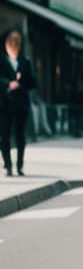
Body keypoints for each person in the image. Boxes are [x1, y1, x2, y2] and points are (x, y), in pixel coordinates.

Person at [0, 27, 36, 177]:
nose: (15, 43)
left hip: (21, 103)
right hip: (4, 103)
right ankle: (8, 165)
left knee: (20, 134)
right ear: (6, 42)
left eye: (18, 41)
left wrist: (23, 81)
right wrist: (8, 83)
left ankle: (20, 165)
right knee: (5, 135)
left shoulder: (25, 61)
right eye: (12, 40)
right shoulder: (1, 60)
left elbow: (33, 83)